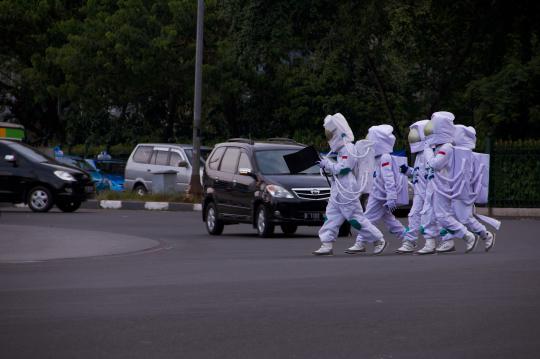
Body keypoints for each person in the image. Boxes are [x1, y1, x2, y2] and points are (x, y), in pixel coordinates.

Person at [313, 113, 384, 256]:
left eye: (331, 134)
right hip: (338, 187)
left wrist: (327, 164)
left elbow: (345, 168)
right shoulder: (340, 150)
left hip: (347, 188)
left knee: (355, 218)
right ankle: (326, 243)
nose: (329, 138)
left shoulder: (348, 148)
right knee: (331, 216)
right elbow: (339, 168)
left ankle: (378, 239)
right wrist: (327, 166)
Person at [421, 111, 477, 253]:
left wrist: (427, 151)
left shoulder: (446, 147)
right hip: (433, 185)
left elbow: (435, 164)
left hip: (442, 186)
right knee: (428, 214)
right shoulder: (438, 147)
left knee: (442, 216)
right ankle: (430, 243)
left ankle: (467, 235)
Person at [356, 124, 413, 255]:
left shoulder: (385, 157)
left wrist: (391, 196)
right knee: (389, 221)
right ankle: (407, 239)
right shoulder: (377, 158)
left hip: (381, 195)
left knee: (367, 218)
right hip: (378, 194)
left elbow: (389, 178)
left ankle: (361, 242)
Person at [442, 125, 497, 251]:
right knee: (447, 216)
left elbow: (466, 176)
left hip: (461, 191)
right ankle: (448, 240)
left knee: (464, 218)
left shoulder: (466, 155)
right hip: (454, 190)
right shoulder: (458, 152)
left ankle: (486, 235)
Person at [398, 119, 429, 253]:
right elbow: (419, 173)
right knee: (414, 215)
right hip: (420, 192)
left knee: (436, 218)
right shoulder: (420, 155)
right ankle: (411, 241)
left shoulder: (428, 153)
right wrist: (408, 171)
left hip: (429, 193)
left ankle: (446, 240)